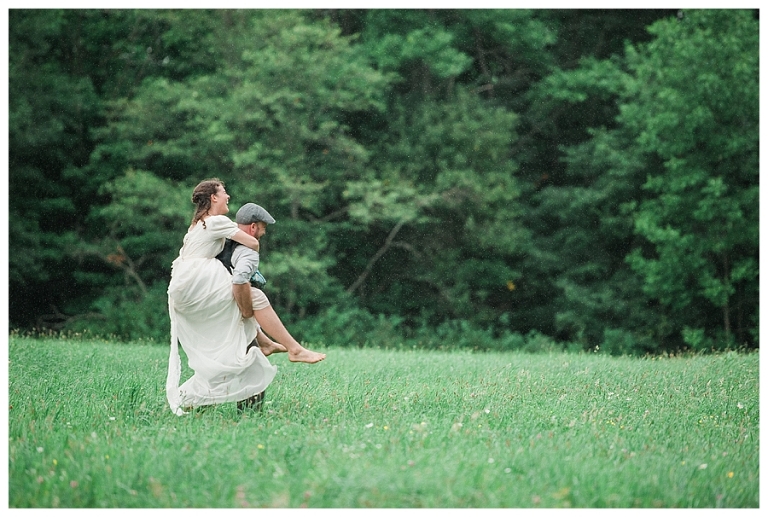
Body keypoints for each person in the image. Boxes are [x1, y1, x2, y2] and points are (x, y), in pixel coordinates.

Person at [165, 178, 276, 415]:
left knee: (231, 333)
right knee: (245, 297)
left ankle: (259, 342)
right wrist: (243, 243)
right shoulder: (217, 221)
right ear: (214, 197)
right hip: (201, 280)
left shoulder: (198, 224)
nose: (228, 197)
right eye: (224, 192)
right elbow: (252, 242)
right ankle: (249, 405)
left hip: (183, 284)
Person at [217, 203, 326, 365]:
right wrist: (246, 310)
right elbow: (239, 280)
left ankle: (267, 343)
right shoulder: (248, 251)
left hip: (207, 300)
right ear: (253, 227)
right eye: (263, 227)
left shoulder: (223, 239)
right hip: (225, 304)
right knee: (257, 298)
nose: (265, 232)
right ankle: (294, 349)